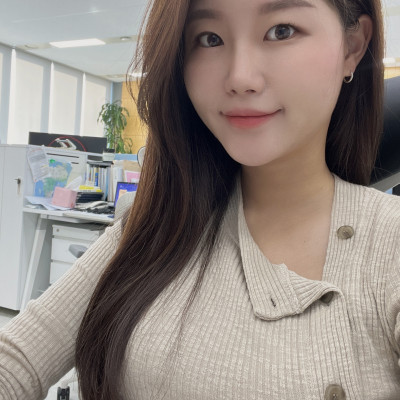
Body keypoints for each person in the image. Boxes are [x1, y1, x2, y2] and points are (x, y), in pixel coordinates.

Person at [1, 0, 399, 398]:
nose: (240, 78)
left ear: (353, 46)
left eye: (281, 31)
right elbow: (16, 360)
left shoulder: (389, 244)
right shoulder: (158, 227)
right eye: (209, 39)